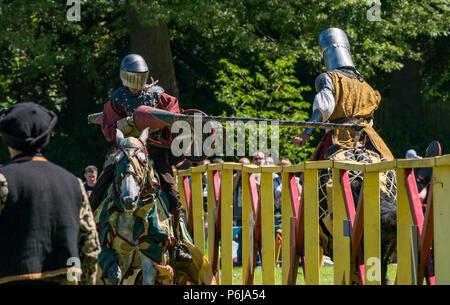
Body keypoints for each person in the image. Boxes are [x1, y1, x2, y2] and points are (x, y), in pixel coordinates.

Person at [98, 53, 191, 263]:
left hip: (154, 154)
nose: (136, 82)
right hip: (125, 153)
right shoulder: (116, 100)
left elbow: (175, 116)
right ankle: (92, 235)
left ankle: (178, 243)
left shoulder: (159, 97)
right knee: (100, 188)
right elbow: (109, 131)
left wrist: (162, 120)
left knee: (172, 195)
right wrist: (125, 125)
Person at [0, 102, 100, 285]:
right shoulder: (74, 183)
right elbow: (89, 247)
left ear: (6, 138)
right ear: (46, 137)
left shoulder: (3, 180)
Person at [293, 28, 394, 162]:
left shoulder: (328, 78)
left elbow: (324, 108)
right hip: (367, 137)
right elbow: (370, 122)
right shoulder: (367, 87)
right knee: (388, 163)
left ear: (326, 54)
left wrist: (306, 133)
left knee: (313, 174)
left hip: (340, 137)